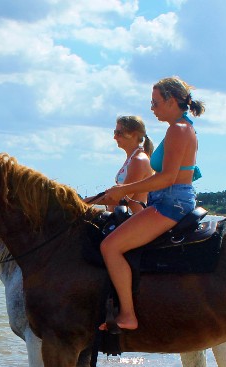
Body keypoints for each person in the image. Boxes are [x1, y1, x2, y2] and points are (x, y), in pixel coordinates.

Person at [87, 76, 205, 331]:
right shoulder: (184, 127)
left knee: (110, 247)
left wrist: (124, 190)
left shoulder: (178, 129)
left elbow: (167, 177)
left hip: (171, 202)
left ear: (171, 101)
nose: (152, 109)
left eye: (155, 103)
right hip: (169, 198)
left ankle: (128, 315)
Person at [107, 115, 154, 213]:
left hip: (132, 219)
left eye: (119, 133)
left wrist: (84, 202)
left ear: (133, 134)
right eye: (115, 132)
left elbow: (122, 199)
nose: (115, 137)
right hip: (123, 217)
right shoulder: (133, 158)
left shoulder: (139, 160)